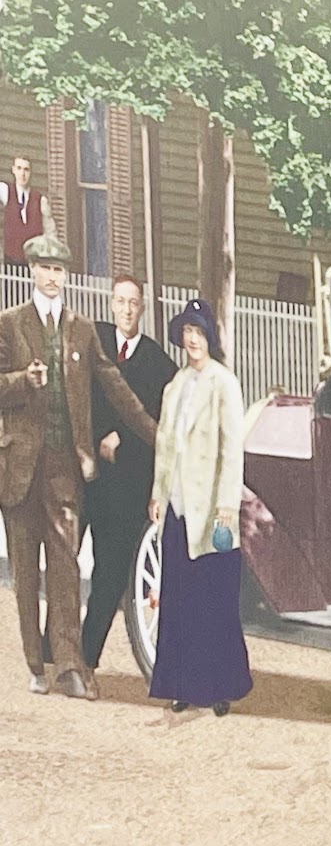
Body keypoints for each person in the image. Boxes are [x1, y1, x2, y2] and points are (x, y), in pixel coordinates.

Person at [0, 235, 156, 700]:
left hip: (65, 467)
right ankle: (35, 662)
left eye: (59, 270)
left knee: (65, 567)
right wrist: (21, 380)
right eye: (45, 268)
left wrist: (157, 434)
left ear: (66, 276)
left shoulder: (81, 330)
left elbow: (116, 388)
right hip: (19, 467)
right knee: (26, 571)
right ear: (32, 271)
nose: (52, 277)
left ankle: (69, 665)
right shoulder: (9, 324)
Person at [148, 298, 251, 716]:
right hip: (177, 508)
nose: (192, 339)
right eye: (187, 332)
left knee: (213, 601)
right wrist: (158, 494)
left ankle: (220, 688)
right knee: (178, 599)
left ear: (210, 337)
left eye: (199, 331)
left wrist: (226, 506)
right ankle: (181, 685)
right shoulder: (175, 385)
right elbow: (164, 446)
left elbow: (232, 450)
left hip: (209, 511)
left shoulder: (224, 383)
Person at [82, 276, 176, 677]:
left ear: (142, 308)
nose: (126, 309)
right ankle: (55, 651)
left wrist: (124, 436)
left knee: (110, 574)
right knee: (64, 564)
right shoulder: (95, 341)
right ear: (111, 303)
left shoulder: (157, 362)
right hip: (84, 474)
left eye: (133, 302)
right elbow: (79, 396)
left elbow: (162, 420)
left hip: (126, 486)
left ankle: (86, 657)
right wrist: (100, 433)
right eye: (120, 301)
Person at [1, 156, 52, 268]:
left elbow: (50, 232)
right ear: (13, 170)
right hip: (12, 260)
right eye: (19, 168)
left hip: (34, 262)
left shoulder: (40, 200)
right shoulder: (6, 192)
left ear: (31, 172)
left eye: (26, 170)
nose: (22, 174)